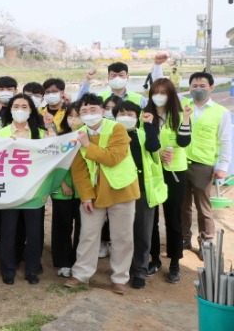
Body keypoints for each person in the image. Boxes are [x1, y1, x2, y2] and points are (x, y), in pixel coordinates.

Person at [64, 93, 139, 295]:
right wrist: (86, 196)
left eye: (93, 110)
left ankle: (119, 278)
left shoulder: (118, 129)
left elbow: (113, 158)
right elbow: (78, 169)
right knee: (87, 235)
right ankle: (81, 274)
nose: (89, 114)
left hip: (121, 190)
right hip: (94, 194)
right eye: (84, 111)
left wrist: (88, 145)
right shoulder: (78, 134)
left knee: (122, 237)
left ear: (103, 111)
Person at [0, 93, 52, 285]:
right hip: (9, 191)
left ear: (31, 110)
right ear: (10, 109)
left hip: (34, 191)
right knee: (9, 231)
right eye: (16, 106)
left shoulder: (40, 133)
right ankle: (8, 269)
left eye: (24, 107)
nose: (20, 110)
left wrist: (50, 127)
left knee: (34, 232)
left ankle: (32, 268)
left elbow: (55, 151)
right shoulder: (1, 134)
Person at [143, 78, 192, 283]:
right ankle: (154, 258)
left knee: (173, 218)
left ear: (171, 95)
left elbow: (183, 141)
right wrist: (158, 152)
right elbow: (143, 141)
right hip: (153, 171)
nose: (159, 95)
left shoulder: (181, 115)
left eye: (164, 92)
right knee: (151, 218)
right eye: (156, 91)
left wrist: (187, 119)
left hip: (175, 173)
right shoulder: (145, 115)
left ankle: (174, 262)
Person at [112, 101, 162, 289]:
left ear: (137, 116)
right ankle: (122, 271)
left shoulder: (143, 133)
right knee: (121, 233)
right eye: (121, 113)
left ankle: (139, 271)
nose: (126, 117)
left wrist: (148, 125)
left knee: (142, 231)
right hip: (119, 189)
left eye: (131, 114)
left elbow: (153, 147)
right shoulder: (110, 136)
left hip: (141, 190)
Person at [181, 72, 231, 257]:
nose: (198, 89)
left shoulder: (221, 112)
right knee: (182, 206)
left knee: (204, 207)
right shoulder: (182, 108)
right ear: (189, 88)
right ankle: (183, 240)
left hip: (204, 165)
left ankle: (206, 244)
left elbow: (225, 140)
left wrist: (222, 166)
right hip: (180, 163)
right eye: (194, 86)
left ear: (212, 87)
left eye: (202, 86)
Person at [51, 102, 83, 278]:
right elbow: (55, 163)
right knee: (62, 226)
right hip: (62, 189)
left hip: (83, 190)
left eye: (77, 116)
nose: (73, 119)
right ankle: (63, 262)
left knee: (82, 227)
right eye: (70, 116)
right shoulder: (60, 137)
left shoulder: (89, 137)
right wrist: (63, 183)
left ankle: (79, 261)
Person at [78, 63, 147, 108]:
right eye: (113, 75)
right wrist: (87, 80)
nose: (117, 78)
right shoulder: (99, 97)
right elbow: (80, 102)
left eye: (121, 75)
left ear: (127, 77)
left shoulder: (140, 99)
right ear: (108, 78)